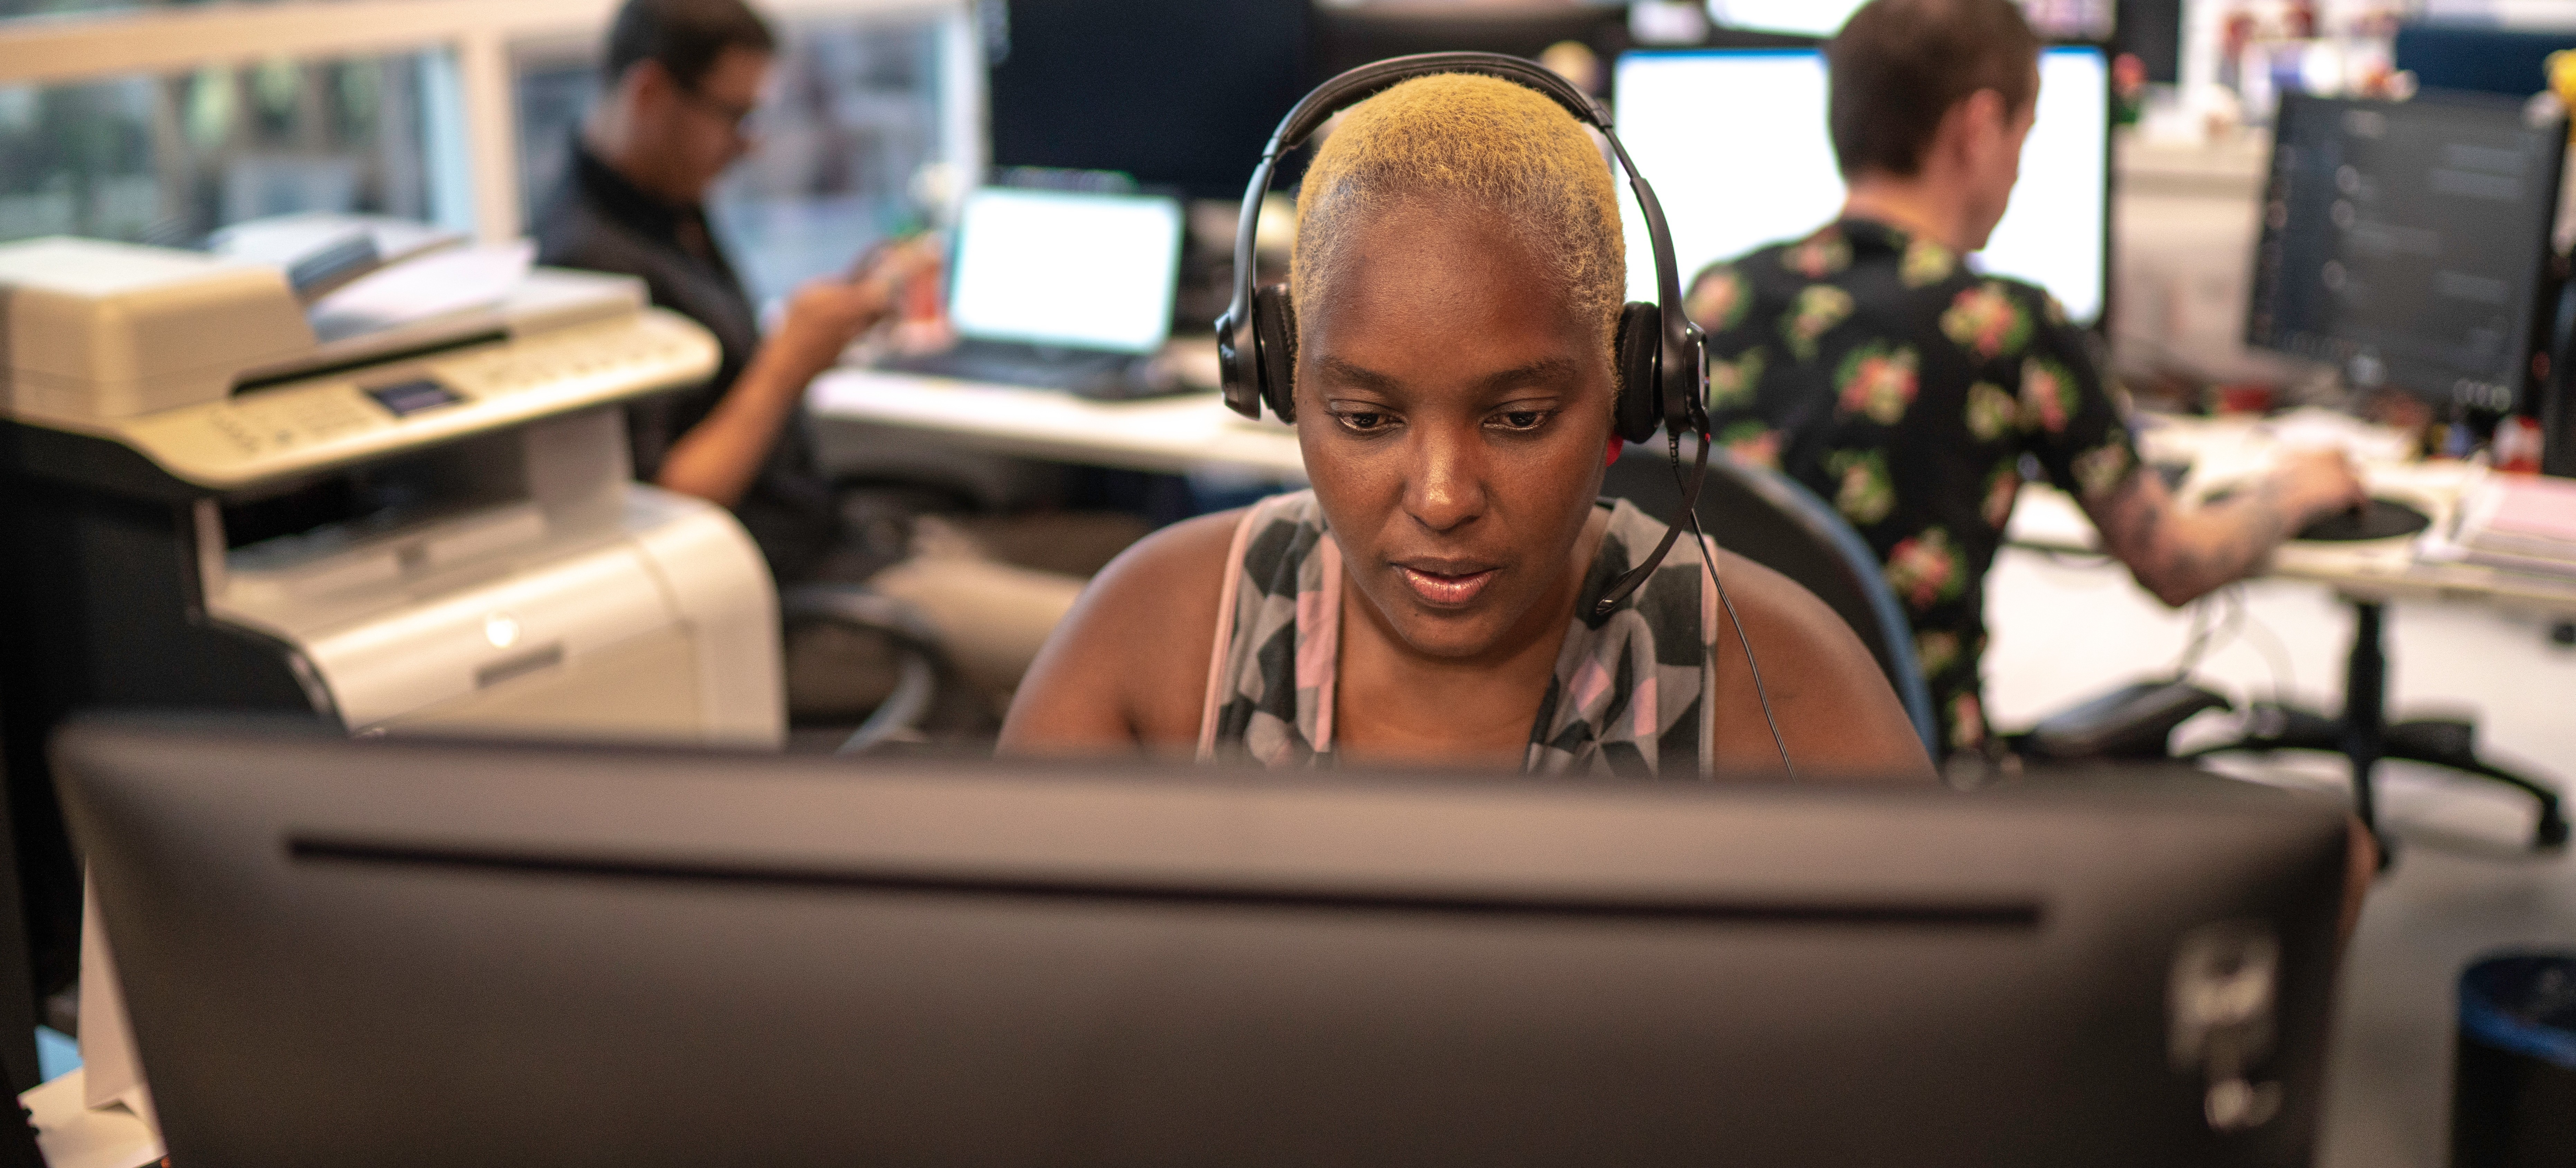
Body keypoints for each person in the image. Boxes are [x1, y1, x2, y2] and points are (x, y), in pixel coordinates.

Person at [1002, 72, 1932, 779]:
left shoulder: (1784, 688)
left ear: (1632, 389)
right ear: (1279, 384)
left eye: (1519, 419)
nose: (1442, 498)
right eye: (1365, 419)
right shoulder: (1152, 645)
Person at [1686, 0, 2365, 773]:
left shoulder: (1717, 298)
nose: (2018, 169)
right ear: (1977, 129)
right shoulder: (2001, 322)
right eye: (2024, 136)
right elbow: (2175, 563)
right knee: (2333, 845)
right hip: (1924, 787)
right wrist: (2298, 489)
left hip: (1731, 780)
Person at [535, 0, 1105, 719]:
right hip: (792, 600)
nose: (748, 146)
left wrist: (833, 314)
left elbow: (724, 387)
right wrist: (786, 364)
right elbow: (667, 507)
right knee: (1117, 633)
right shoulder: (586, 265)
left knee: (1130, 553)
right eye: (733, 116)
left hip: (850, 539)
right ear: (651, 93)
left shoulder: (667, 208)